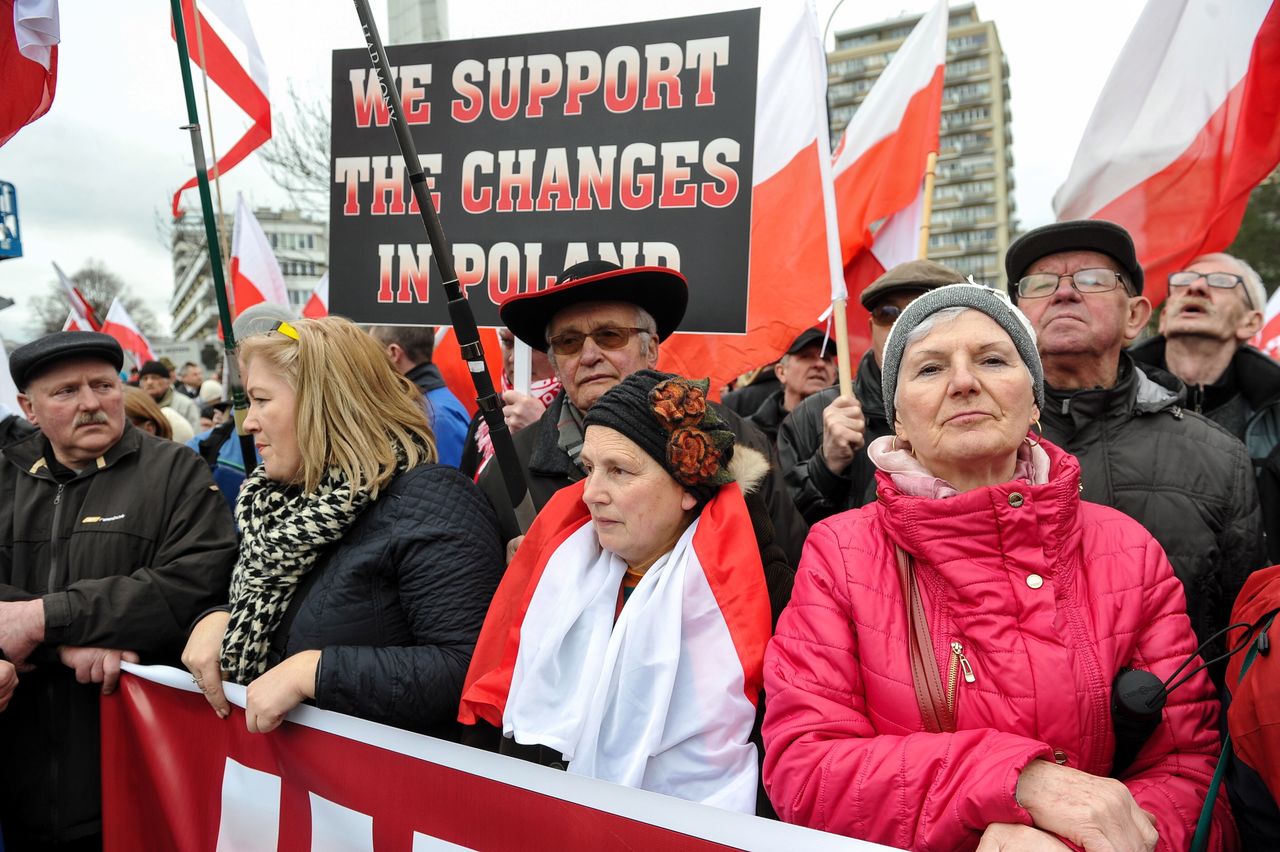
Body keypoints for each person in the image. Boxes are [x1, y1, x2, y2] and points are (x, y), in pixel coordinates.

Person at [763, 283, 1234, 851]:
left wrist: (1087, 842)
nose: (964, 382)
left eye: (991, 359)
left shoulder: (1127, 548)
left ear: (1034, 401)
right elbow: (805, 771)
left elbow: (1190, 772)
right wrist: (1018, 784)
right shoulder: (839, 554)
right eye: (931, 368)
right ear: (900, 421)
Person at [460, 370, 791, 814]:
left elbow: (782, 749)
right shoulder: (558, 574)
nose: (591, 493)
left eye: (619, 471)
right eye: (589, 468)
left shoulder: (765, 591)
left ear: (686, 487)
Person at [182, 317, 504, 739]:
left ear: (324, 403)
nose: (249, 423)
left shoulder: (432, 500)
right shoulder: (276, 504)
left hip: (389, 792)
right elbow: (274, 606)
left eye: (262, 401)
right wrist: (217, 617)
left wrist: (315, 671)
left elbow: (467, 668)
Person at [0, 331, 237, 850]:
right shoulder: (5, 476)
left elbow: (195, 585)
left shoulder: (176, 471)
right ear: (29, 407)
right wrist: (63, 643)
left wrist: (43, 617)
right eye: (66, 392)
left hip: (136, 773)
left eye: (103, 385)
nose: (91, 403)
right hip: (18, 782)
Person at [1006, 220, 1263, 680]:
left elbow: (1242, 634)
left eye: (1092, 279)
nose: (1064, 294)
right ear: (1014, 319)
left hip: (1184, 735)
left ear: (1136, 316)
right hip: (1020, 745)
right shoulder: (970, 446)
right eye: (1041, 284)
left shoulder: (1221, 458)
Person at [477, 260, 807, 566]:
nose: (589, 355)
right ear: (555, 364)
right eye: (569, 342)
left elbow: (786, 568)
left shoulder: (735, 440)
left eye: (610, 335)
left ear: (651, 350)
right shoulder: (507, 471)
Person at [778, 259, 960, 523]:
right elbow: (782, 532)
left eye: (925, 310)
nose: (904, 324)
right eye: (888, 313)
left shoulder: (987, 407)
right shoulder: (811, 416)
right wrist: (826, 466)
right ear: (872, 327)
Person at [1129, 252, 1280, 563]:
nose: (1195, 288)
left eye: (1222, 282)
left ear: (1250, 322)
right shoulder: (1105, 401)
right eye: (1183, 281)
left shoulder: (1275, 415)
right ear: (1166, 316)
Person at [458, 326, 561, 481]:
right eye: (507, 342)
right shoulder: (486, 415)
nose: (513, 358)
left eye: (531, 346)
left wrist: (542, 431)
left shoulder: (580, 409)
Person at [367, 325, 472, 468]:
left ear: (393, 353)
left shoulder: (437, 417)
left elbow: (452, 485)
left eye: (372, 352)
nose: (369, 362)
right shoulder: (427, 409)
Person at [746, 327, 836, 446]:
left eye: (826, 359)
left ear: (834, 375)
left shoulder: (853, 430)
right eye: (806, 356)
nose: (820, 364)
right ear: (781, 372)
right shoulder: (748, 432)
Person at [137, 359, 200, 431]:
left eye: (154, 377)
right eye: (145, 378)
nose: (149, 382)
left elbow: (195, 435)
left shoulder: (185, 404)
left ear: (167, 382)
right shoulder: (137, 406)